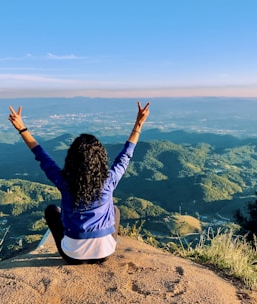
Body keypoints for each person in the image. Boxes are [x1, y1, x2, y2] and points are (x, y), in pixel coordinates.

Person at [8, 101, 150, 264]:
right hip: (105, 254)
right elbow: (125, 155)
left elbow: (41, 155)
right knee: (115, 210)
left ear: (72, 160)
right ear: (100, 160)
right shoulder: (109, 180)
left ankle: (70, 243)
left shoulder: (64, 181)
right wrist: (138, 124)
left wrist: (22, 129)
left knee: (52, 211)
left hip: (72, 256)